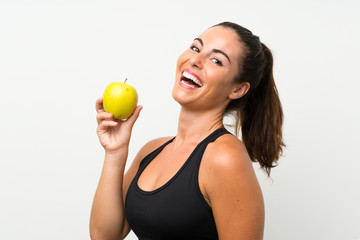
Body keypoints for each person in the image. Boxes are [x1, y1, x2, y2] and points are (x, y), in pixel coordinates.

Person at [90, 21, 284, 240]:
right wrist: (115, 153)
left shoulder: (225, 158)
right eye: (195, 48)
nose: (195, 60)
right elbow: (105, 236)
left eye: (216, 60)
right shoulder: (152, 150)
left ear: (238, 89)